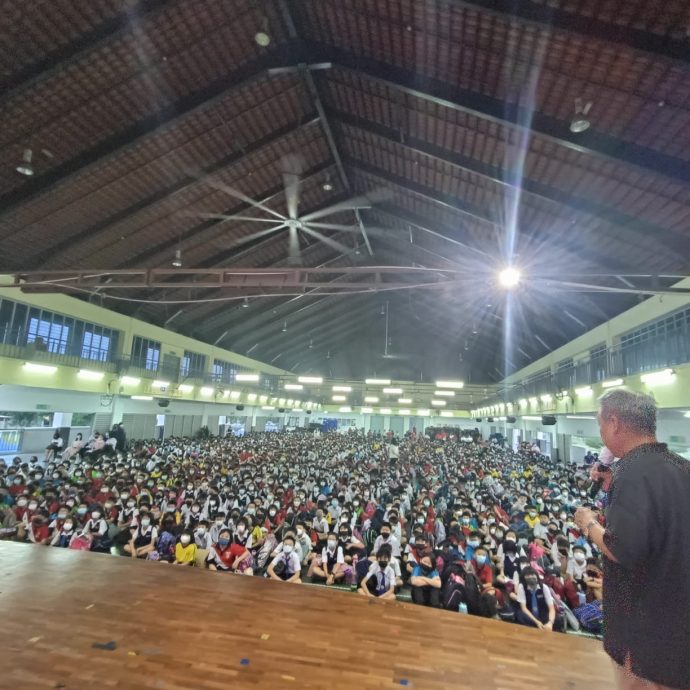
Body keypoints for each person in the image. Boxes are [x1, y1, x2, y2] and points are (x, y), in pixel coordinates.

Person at [574, 390, 690, 690]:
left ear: (614, 423)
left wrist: (588, 524)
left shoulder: (631, 470)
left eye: (600, 425)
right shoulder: (680, 466)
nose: (601, 433)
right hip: (677, 621)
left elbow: (621, 549)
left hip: (643, 631)